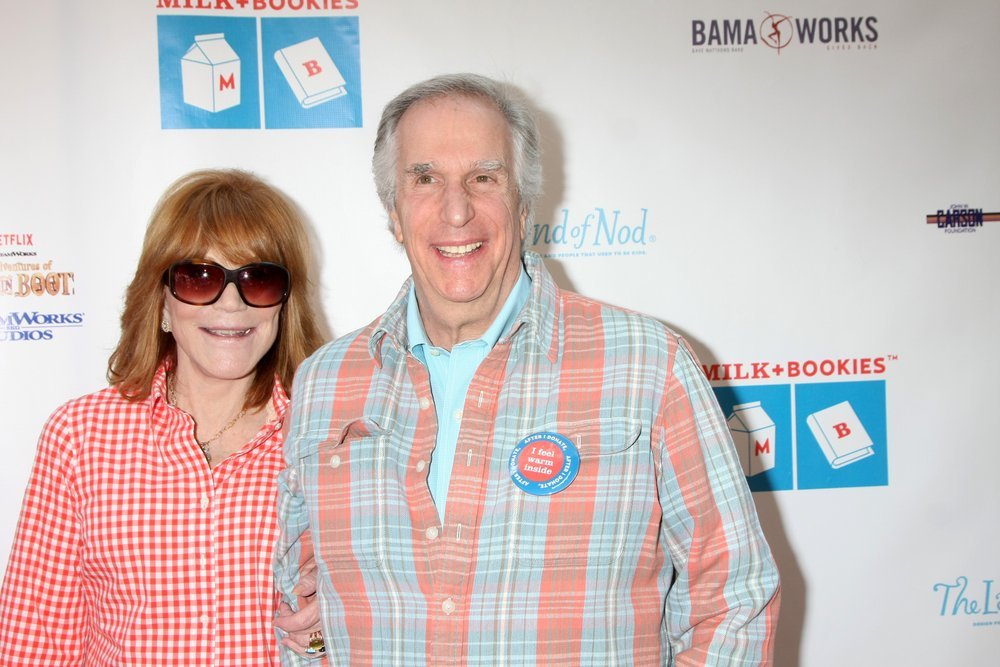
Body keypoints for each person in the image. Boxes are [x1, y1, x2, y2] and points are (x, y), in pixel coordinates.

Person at [275, 74, 781, 665]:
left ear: (522, 202)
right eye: (425, 178)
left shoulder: (648, 364)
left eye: (483, 178)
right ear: (393, 211)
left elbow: (734, 598)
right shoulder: (325, 383)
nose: (456, 209)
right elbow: (301, 603)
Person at [0, 169, 325, 665]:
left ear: (284, 304)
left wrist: (329, 632)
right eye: (200, 278)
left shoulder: (332, 436)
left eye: (258, 279)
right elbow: (33, 642)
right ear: (162, 305)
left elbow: (379, 624)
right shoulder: (81, 437)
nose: (232, 303)